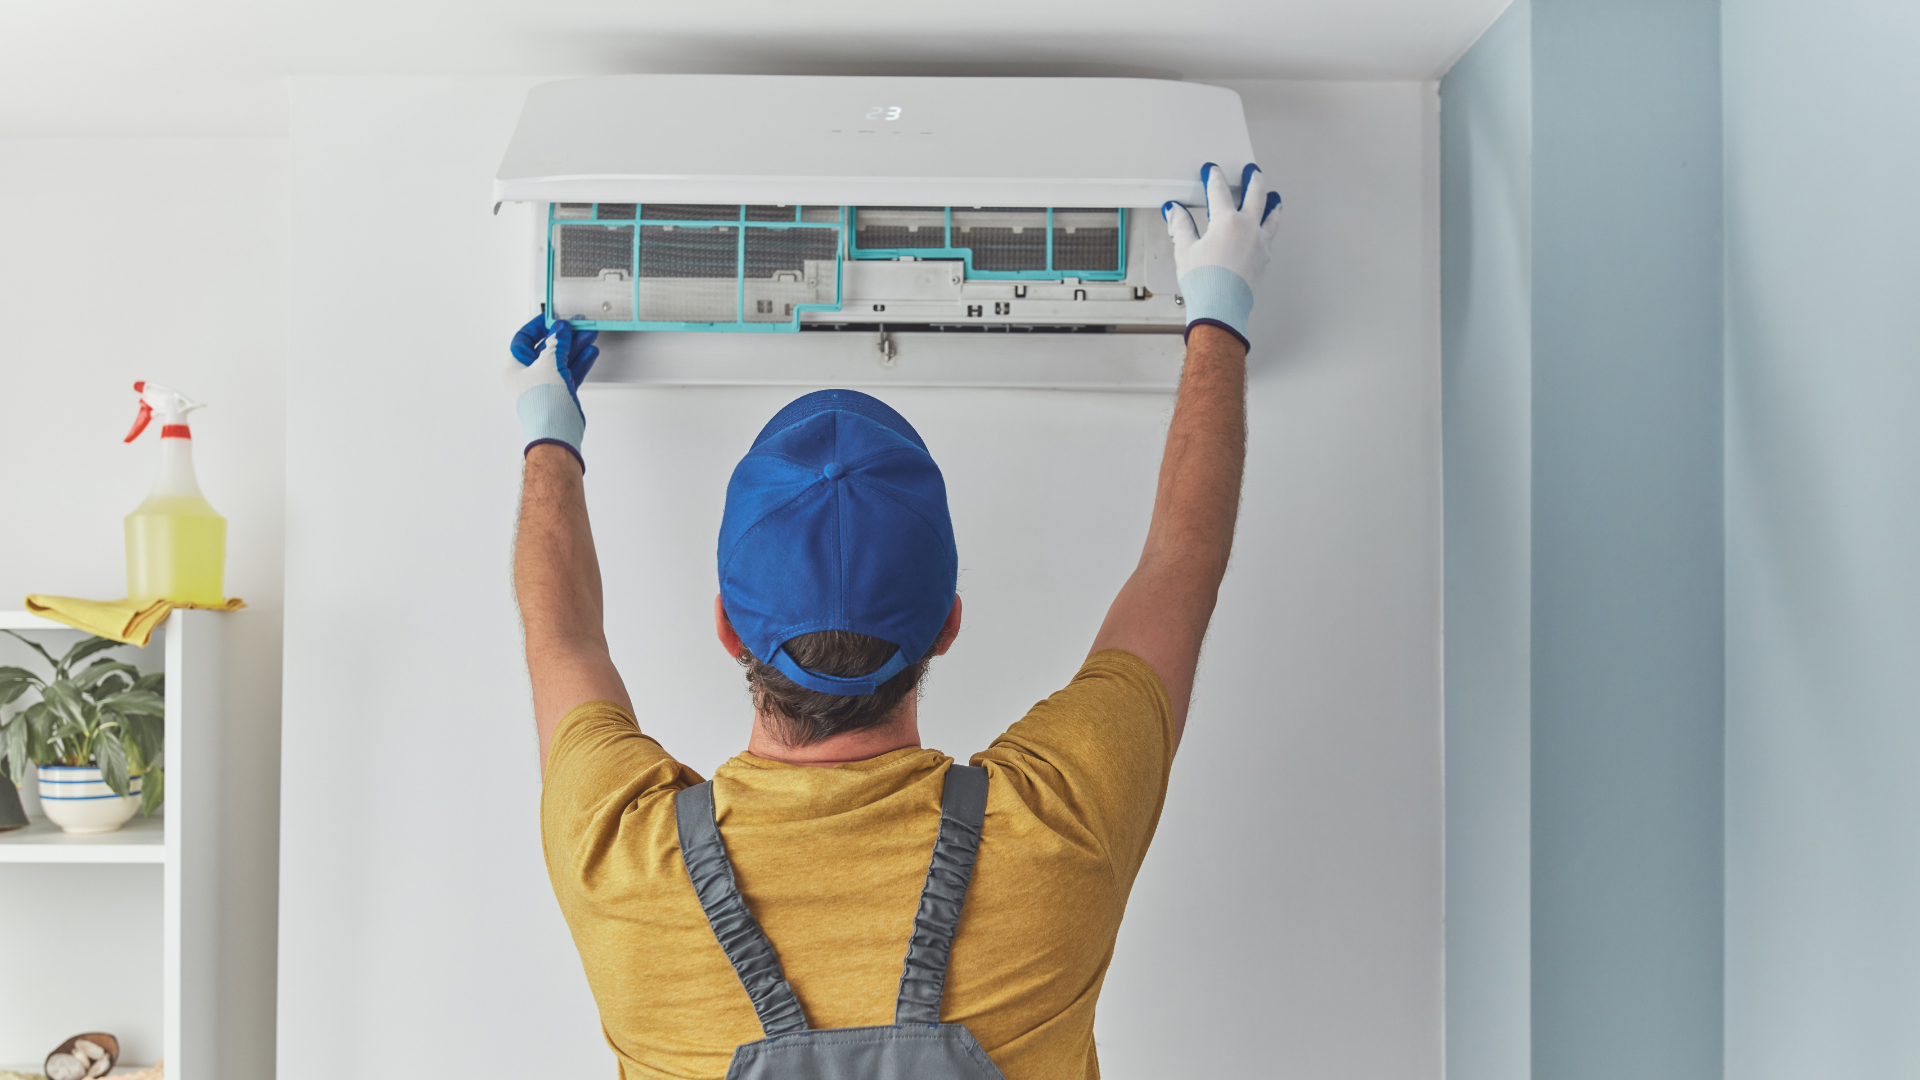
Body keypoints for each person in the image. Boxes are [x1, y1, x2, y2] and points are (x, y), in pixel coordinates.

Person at [508, 163, 1281, 1080]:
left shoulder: (621, 864)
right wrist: (1217, 318)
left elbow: (561, 637)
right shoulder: (1058, 828)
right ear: (947, 624)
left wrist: (549, 429)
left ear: (728, 627)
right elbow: (1177, 572)